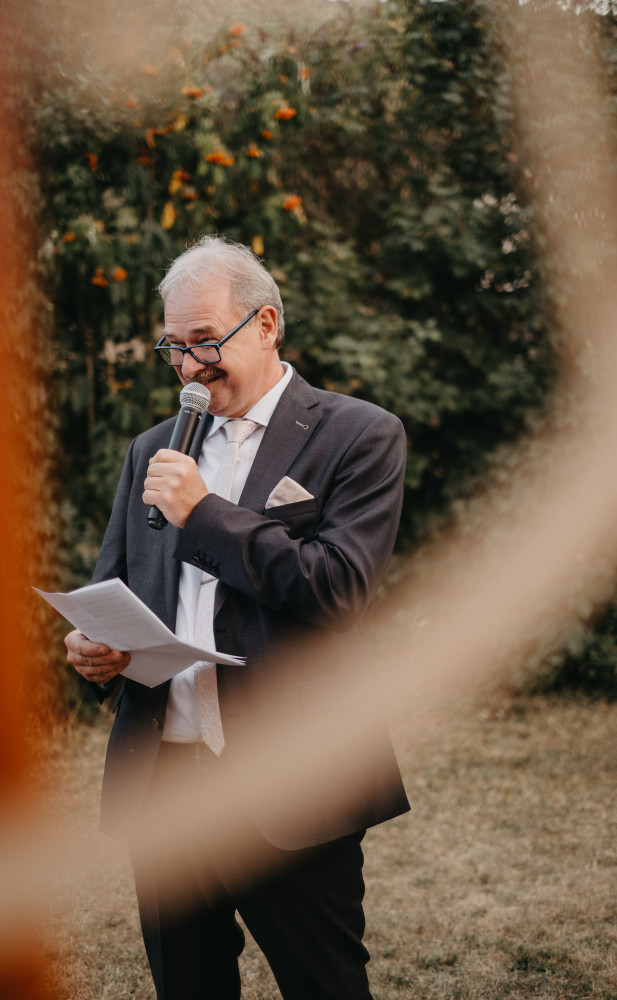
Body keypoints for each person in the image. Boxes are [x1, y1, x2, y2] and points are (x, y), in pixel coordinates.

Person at [65, 235, 410, 1000]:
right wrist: (93, 647)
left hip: (291, 781)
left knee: (324, 985)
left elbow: (340, 590)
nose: (189, 366)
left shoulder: (359, 434)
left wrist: (205, 514)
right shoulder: (153, 449)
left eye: (204, 341)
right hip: (167, 785)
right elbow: (115, 587)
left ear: (266, 325)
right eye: (174, 347)